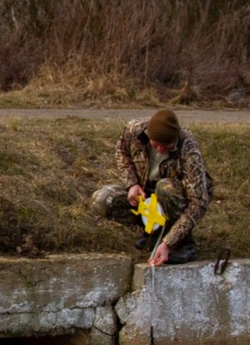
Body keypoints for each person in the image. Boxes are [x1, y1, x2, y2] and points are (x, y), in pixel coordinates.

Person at [91, 107, 213, 266]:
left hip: (172, 194)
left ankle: (183, 244)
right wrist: (132, 184)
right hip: (146, 193)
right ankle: (153, 234)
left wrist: (168, 243)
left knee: (165, 188)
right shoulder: (135, 131)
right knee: (102, 200)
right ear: (149, 136)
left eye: (167, 147)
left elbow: (198, 202)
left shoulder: (188, 147)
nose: (161, 150)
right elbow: (122, 151)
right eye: (156, 145)